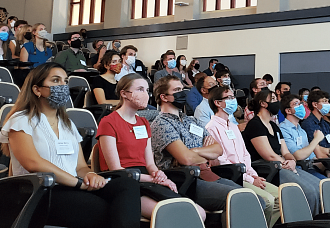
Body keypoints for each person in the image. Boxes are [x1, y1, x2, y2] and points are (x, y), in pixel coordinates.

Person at [0, 62, 141, 228]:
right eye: (55, 80)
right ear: (37, 89)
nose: (63, 86)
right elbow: (33, 163)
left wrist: (89, 175)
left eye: (65, 81)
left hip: (73, 186)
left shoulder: (68, 124)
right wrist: (78, 183)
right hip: (41, 191)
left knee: (126, 183)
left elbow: (81, 166)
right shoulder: (21, 120)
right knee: (104, 209)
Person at [97, 73, 206, 221]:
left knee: (199, 213)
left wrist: (159, 175)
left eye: (146, 90)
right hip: (124, 182)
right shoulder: (108, 122)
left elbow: (150, 163)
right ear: (124, 94)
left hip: (146, 178)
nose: (145, 95)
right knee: (179, 216)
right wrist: (151, 179)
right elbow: (115, 169)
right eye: (140, 89)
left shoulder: (143, 123)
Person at [151, 75, 257, 212]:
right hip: (187, 181)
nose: (183, 93)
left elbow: (218, 150)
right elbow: (186, 159)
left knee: (254, 198)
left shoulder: (190, 120)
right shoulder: (161, 123)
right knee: (242, 199)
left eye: (183, 88)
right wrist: (206, 154)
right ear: (164, 97)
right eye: (177, 90)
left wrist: (195, 151)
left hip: (207, 174)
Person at [206, 86, 280, 227]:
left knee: (280, 197)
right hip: (231, 175)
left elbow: (245, 154)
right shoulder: (212, 127)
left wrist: (253, 175)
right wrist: (249, 179)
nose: (234, 100)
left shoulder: (233, 126)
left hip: (246, 174)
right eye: (229, 97)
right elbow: (220, 161)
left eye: (233, 97)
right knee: (268, 200)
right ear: (217, 103)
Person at [242, 89, 321, 215]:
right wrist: (286, 163)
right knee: (309, 191)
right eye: (273, 99)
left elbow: (285, 151)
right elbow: (268, 154)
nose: (277, 102)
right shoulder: (255, 124)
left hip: (283, 165)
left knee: (319, 187)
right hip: (269, 168)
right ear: (263, 103)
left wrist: (291, 160)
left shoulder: (274, 126)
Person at [279, 94, 330, 199]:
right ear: (288, 111)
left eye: (301, 103)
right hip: (301, 169)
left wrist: (327, 172)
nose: (301, 106)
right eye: (296, 104)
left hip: (314, 167)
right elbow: (298, 156)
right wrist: (316, 139)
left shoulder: (301, 130)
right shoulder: (283, 129)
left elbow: (312, 156)